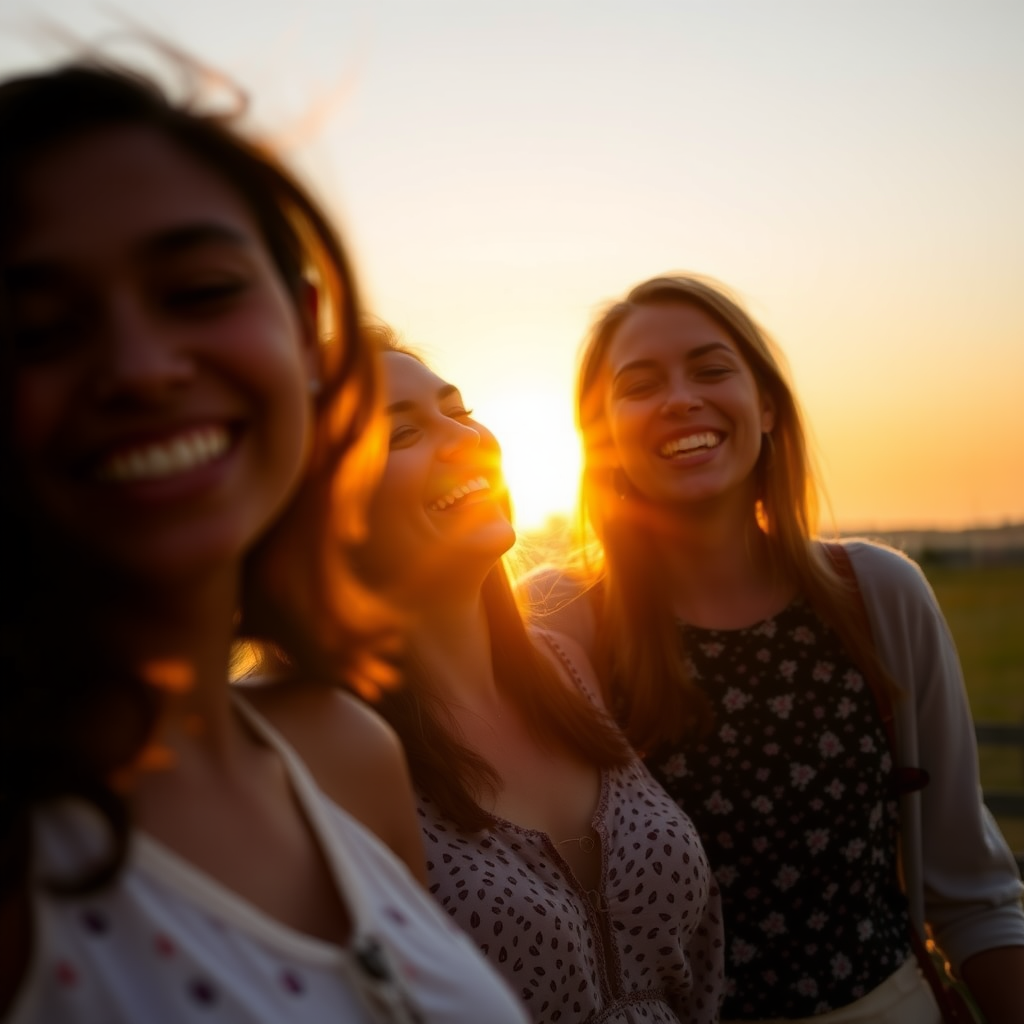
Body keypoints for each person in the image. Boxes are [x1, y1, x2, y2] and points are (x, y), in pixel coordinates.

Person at [0, 57, 530, 1024]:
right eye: (36, 331)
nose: (142, 367)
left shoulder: (344, 753)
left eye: (200, 290)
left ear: (301, 342)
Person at [524, 273, 1024, 1024]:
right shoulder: (560, 625)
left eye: (712, 368)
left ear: (767, 406)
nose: (681, 397)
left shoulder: (879, 595)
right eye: (640, 384)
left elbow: (974, 891)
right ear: (603, 437)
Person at [309, 328, 724, 1024]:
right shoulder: (314, 749)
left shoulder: (564, 666)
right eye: (402, 433)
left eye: (459, 410)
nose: (465, 438)